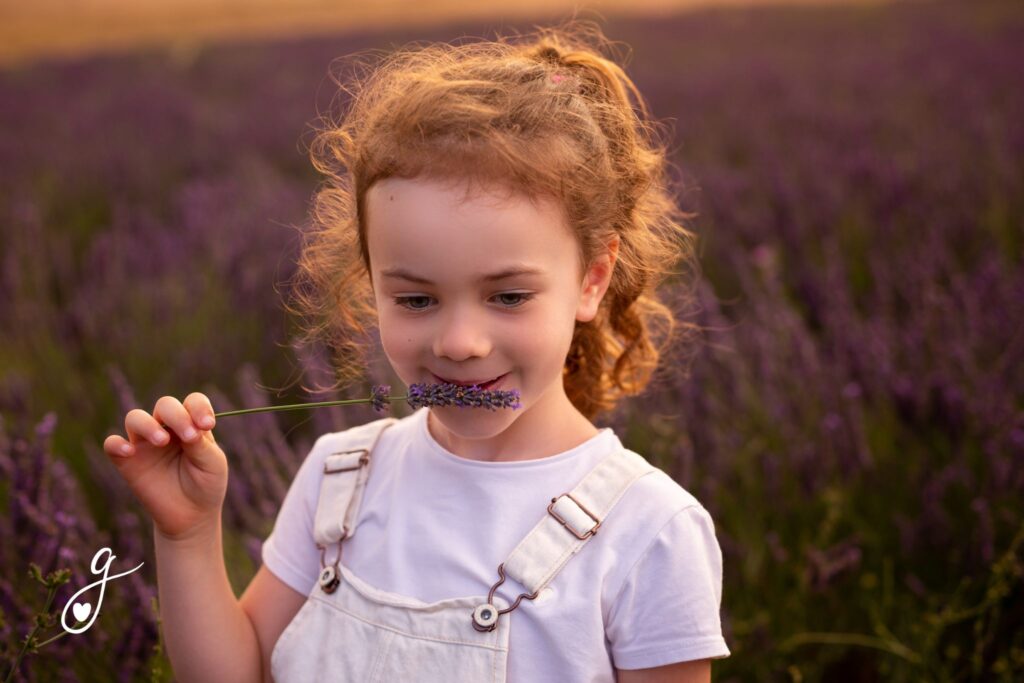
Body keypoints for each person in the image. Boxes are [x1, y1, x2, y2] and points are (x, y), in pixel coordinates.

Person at [103, 19, 730, 683]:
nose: (460, 343)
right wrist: (188, 533)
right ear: (370, 283)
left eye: (509, 296)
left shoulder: (648, 533)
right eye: (416, 300)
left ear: (591, 280)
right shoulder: (338, 475)